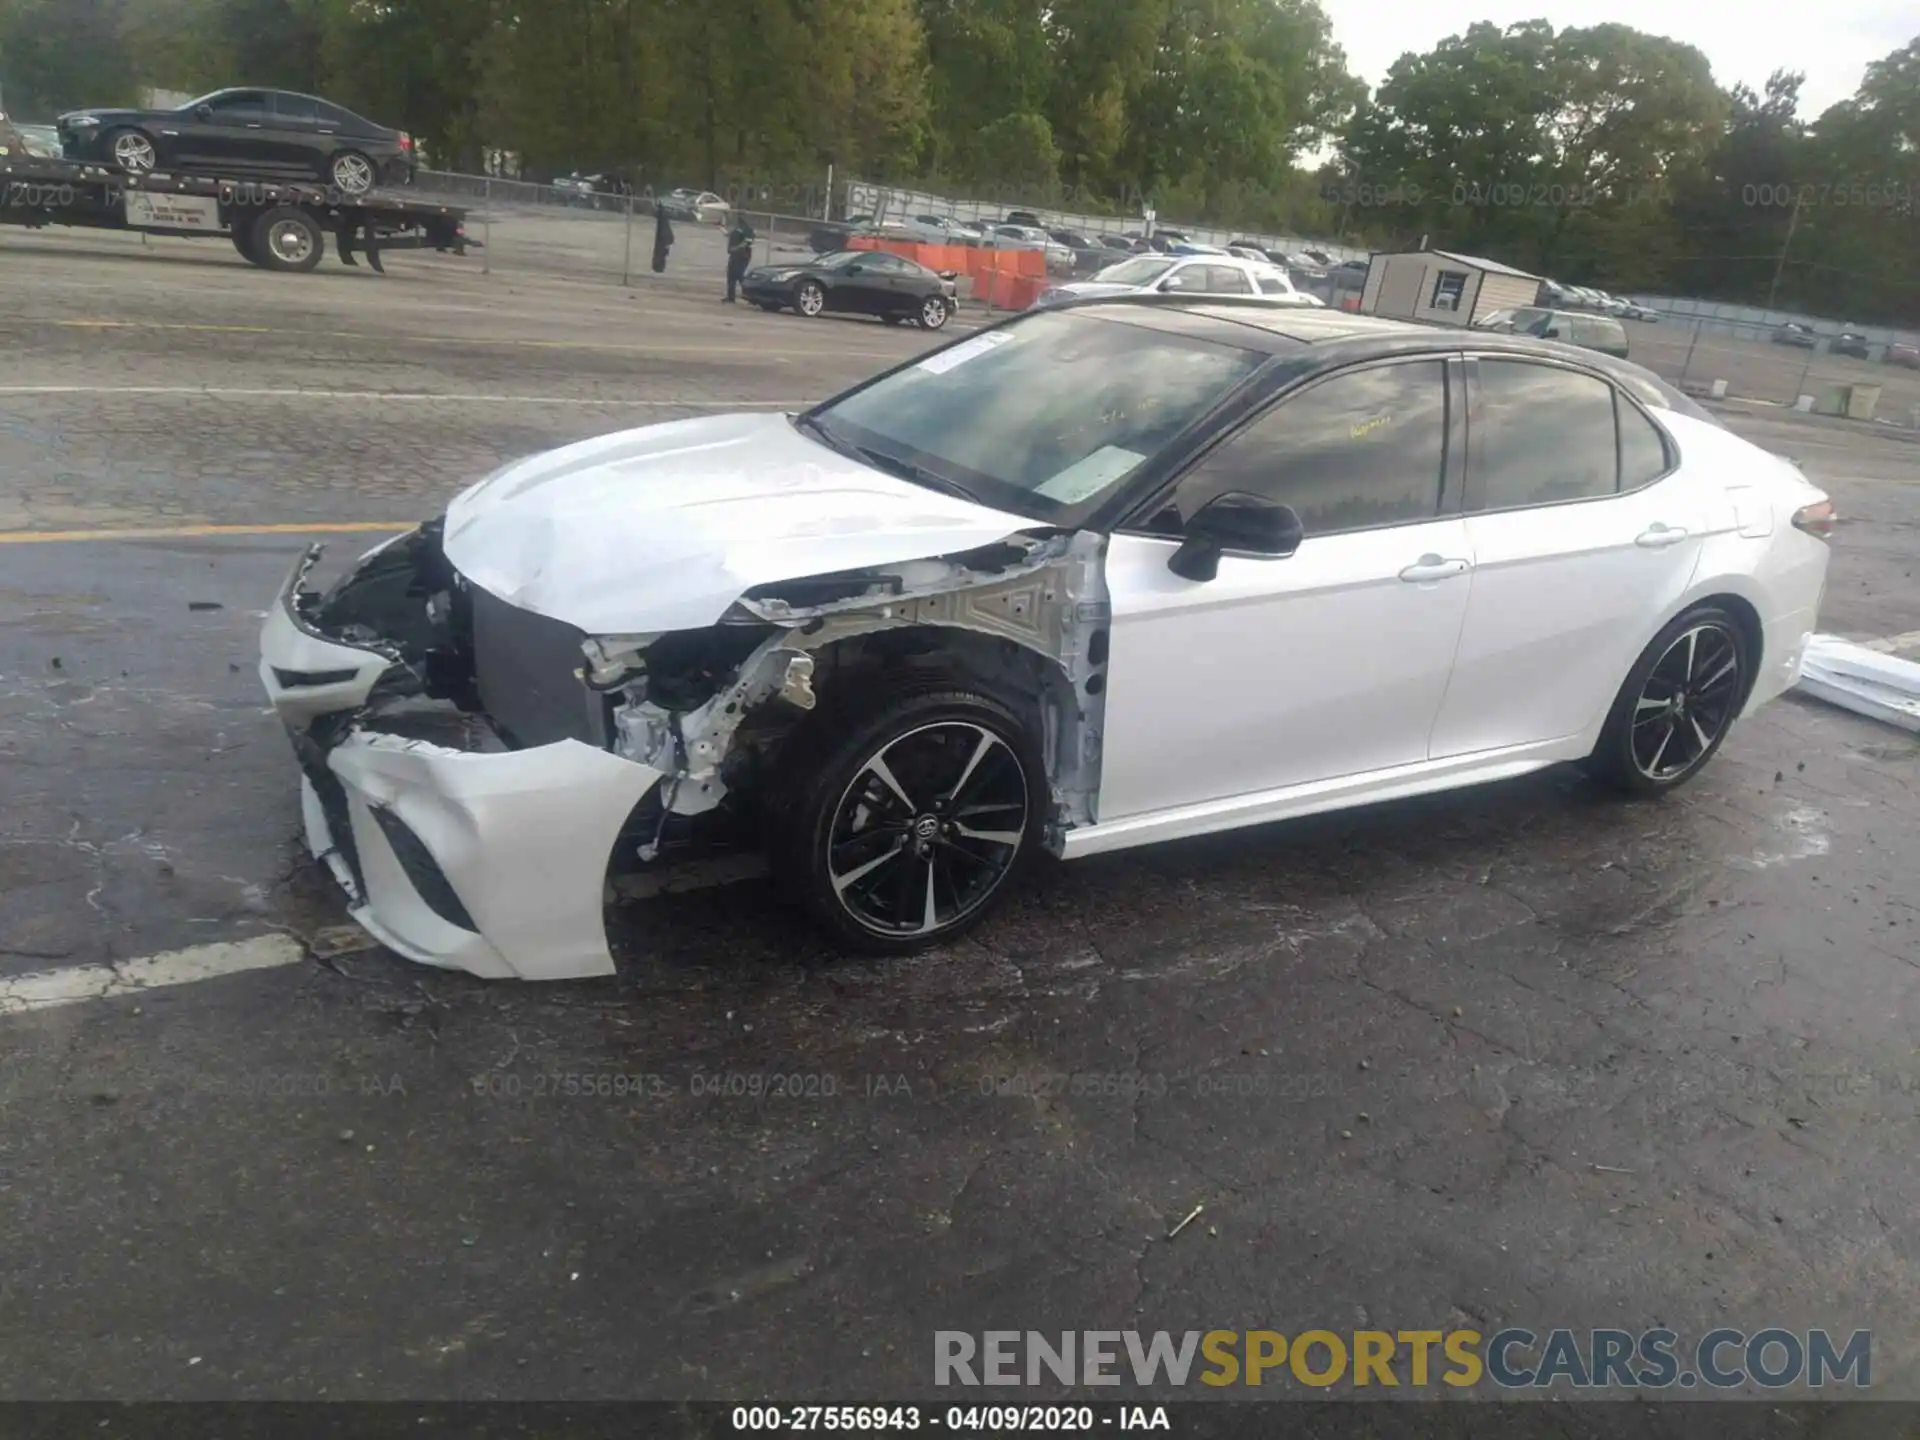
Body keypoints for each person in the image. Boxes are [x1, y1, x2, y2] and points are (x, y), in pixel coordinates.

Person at [724, 218, 756, 302]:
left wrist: (737, 248)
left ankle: (750, 295)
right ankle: (730, 297)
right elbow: (728, 234)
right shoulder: (737, 229)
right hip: (734, 255)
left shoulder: (747, 229)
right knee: (731, 275)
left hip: (742, 256)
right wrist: (720, 228)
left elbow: (748, 241)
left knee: (739, 275)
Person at [651, 204, 674, 274]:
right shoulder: (663, 220)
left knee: (661, 252)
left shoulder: (663, 220)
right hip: (663, 239)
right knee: (661, 252)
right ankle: (658, 266)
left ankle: (658, 266)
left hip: (663, 239)